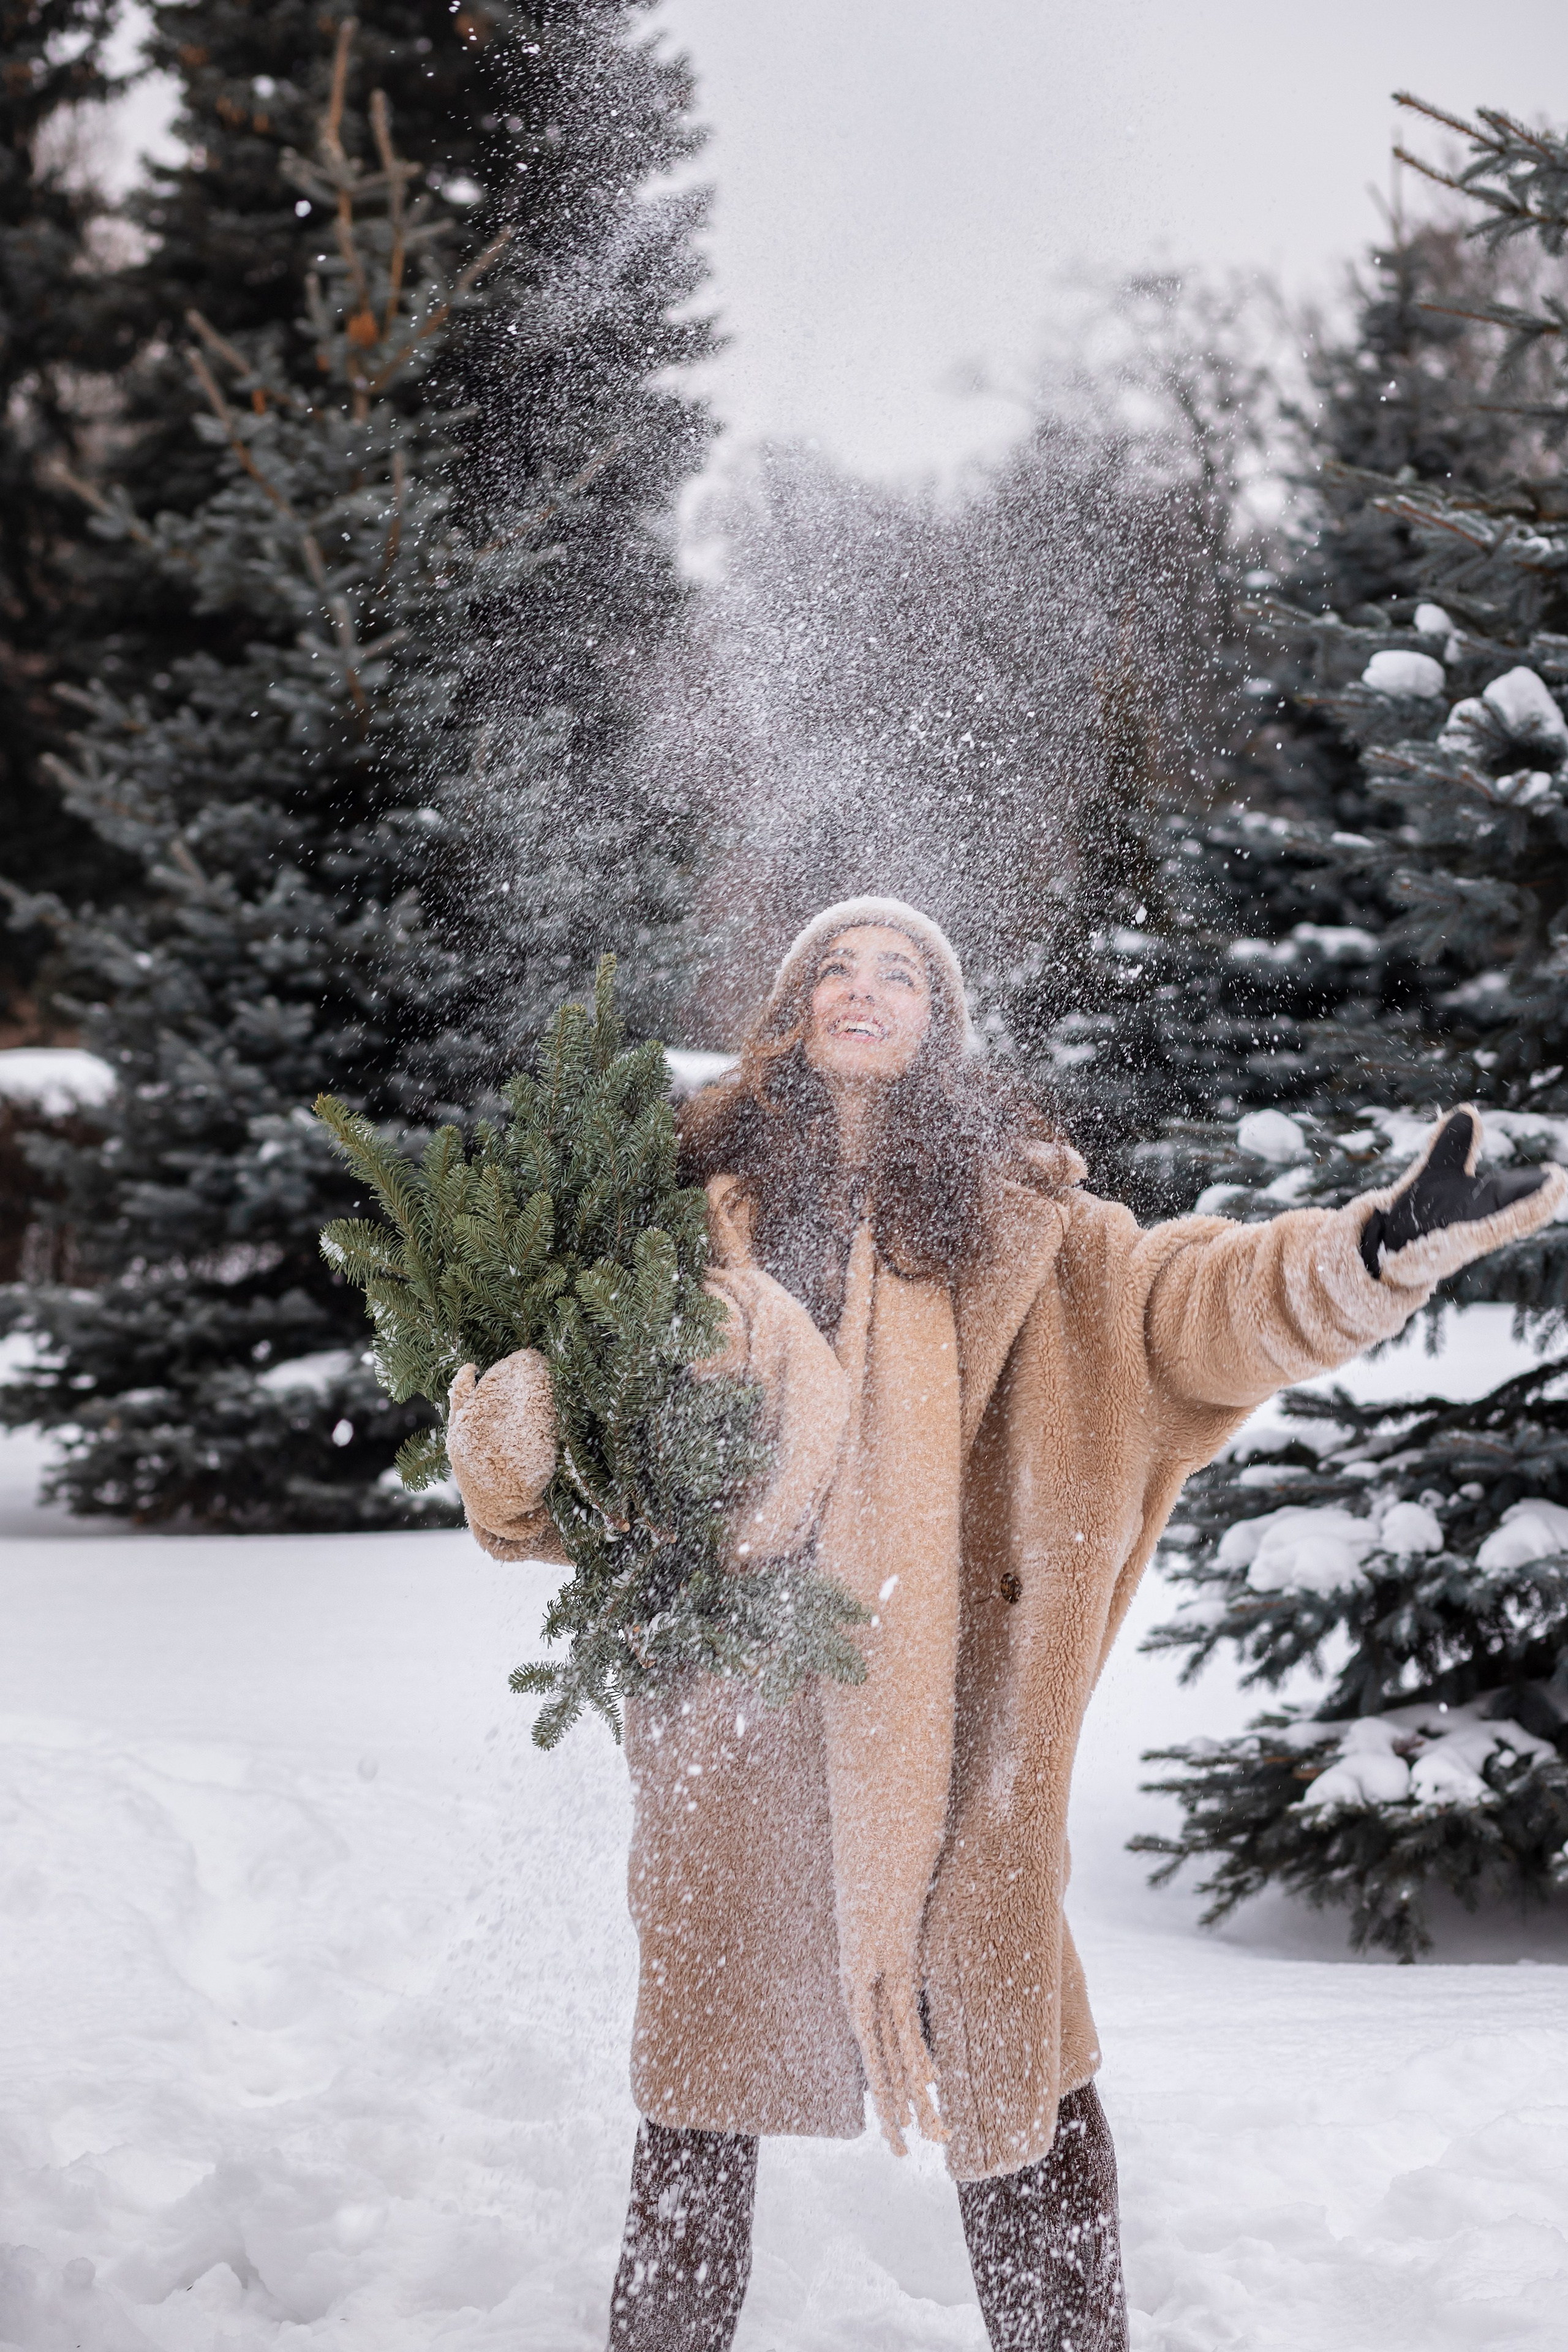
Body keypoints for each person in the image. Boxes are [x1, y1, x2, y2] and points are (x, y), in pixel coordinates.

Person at [445, 897, 1562, 2351]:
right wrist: (508, 1441)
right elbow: (564, 1452)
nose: (864, 986)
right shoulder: (670, 1221)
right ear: (787, 1013)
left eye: (900, 972)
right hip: (737, 1721)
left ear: (939, 1029)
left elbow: (1206, 1303)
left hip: (957, 1731)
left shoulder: (1040, 1239)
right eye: (832, 966)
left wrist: (1377, 1247)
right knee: (699, 2114)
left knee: (1021, 2080)